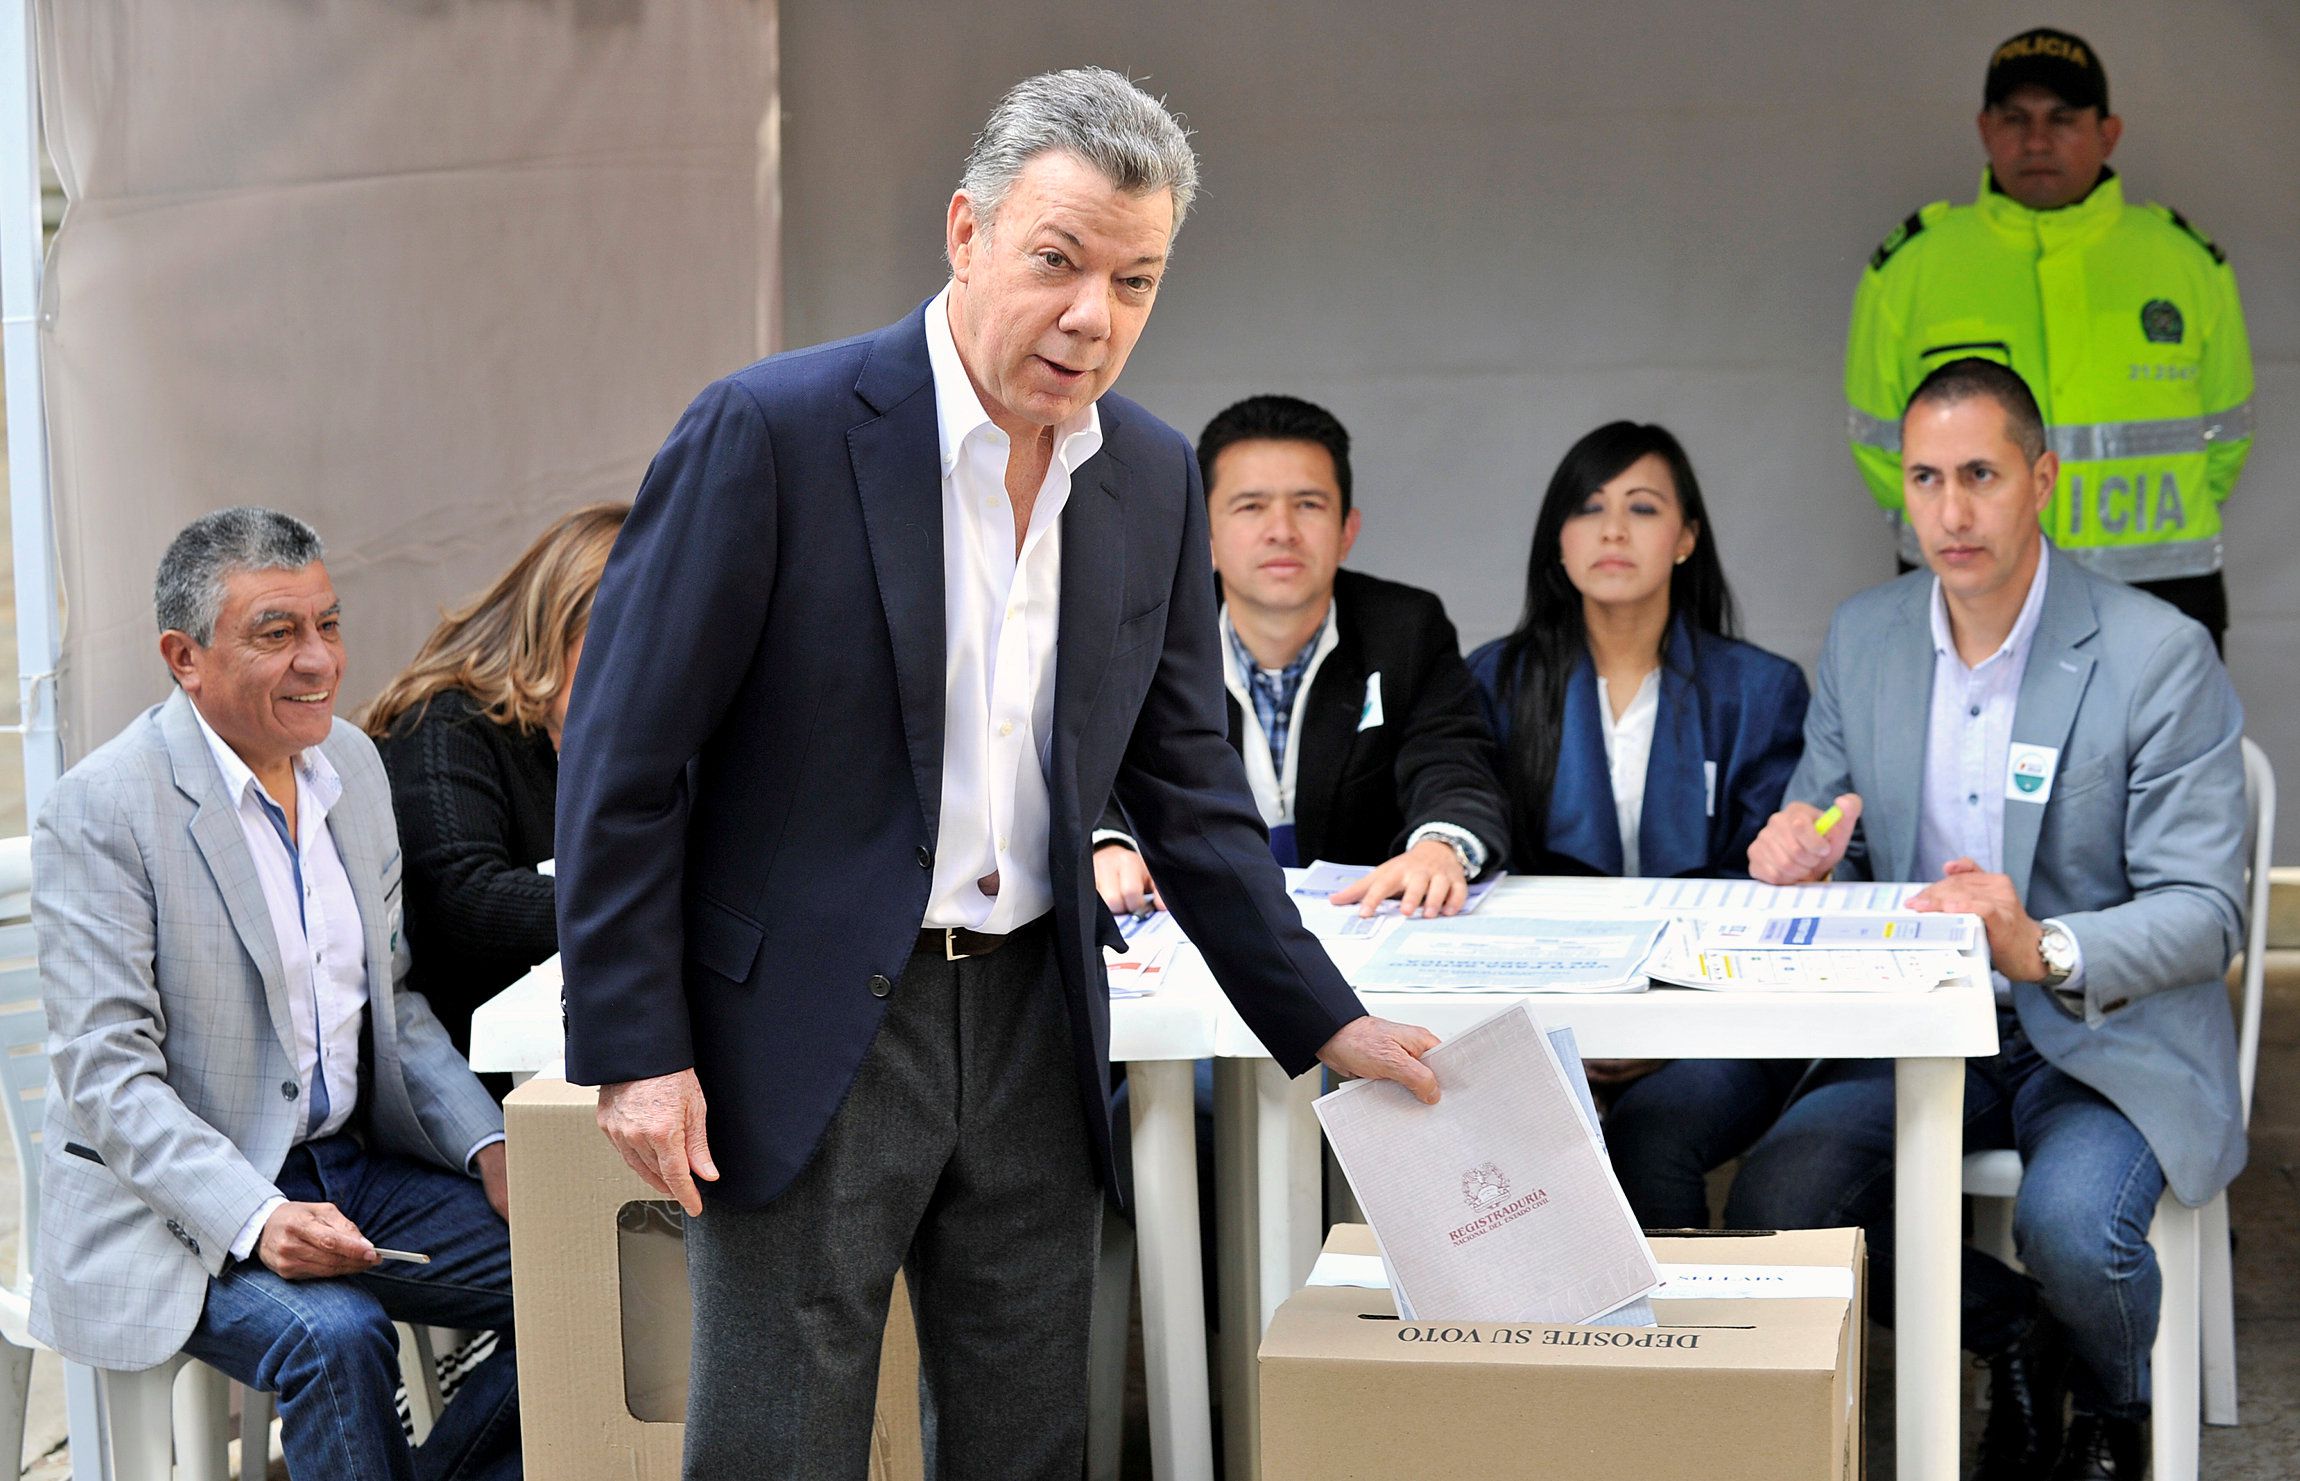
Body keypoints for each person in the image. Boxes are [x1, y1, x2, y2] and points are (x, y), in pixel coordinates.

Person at [553, 69, 1439, 1479]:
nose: (1095, 315)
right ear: (966, 233)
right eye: (1059, 261)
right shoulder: (771, 432)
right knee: (780, 1440)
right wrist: (633, 1049)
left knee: (1031, 1437)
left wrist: (1324, 1017)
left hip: (1036, 1009)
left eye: (1137, 281)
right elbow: (625, 756)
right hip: (808, 1023)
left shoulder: (1149, 478)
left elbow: (1186, 782)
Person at [1733, 359, 2246, 1480]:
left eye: (1979, 474)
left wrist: (2040, 945)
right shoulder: (1865, 635)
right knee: (1780, 1200)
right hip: (1921, 1027)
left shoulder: (2155, 652)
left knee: (2072, 1228)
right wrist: (1803, 850)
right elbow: (1835, 822)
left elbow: (2206, 913)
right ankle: (2012, 1332)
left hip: (2103, 1029)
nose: (1950, 511)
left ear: (2041, 478)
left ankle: (2113, 1408)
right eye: (1924, 478)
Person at [31, 508, 521, 1481]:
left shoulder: (353, 763)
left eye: (328, 624)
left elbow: (395, 1000)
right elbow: (109, 1081)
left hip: (351, 1166)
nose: (319, 662)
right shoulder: (105, 808)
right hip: (172, 1205)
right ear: (184, 656)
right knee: (335, 1337)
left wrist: (491, 1144)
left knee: (582, 1261)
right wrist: (257, 1215)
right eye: (276, 632)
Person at [1465, 421, 1810, 1228]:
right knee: (1527, 1136)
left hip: (1713, 1020)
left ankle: (1670, 1355)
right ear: (1559, 538)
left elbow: (1763, 892)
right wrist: (1576, 1025)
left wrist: (1662, 1020)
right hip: (1542, 1013)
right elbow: (1486, 882)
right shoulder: (1493, 681)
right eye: (1589, 507)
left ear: (1686, 538)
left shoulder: (1761, 690)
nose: (1613, 529)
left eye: (1643, 507)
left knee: (1656, 1133)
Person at [1843, 26, 2254, 651]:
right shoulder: (1911, 270)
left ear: (2107, 132)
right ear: (1985, 129)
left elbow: (2227, 437)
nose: (2036, 140)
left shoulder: (2184, 263)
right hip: (1974, 592)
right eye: (2015, 118)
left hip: (2161, 597)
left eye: (2062, 118)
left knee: (2172, 754)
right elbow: (1879, 447)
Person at [1092, 393, 1509, 917]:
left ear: (1346, 532)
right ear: (1204, 535)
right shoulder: (1144, 630)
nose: (1282, 532)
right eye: (1251, 506)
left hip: (1362, 923)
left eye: (1308, 505)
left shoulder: (1404, 629)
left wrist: (1440, 847)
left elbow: (1452, 762)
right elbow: (1090, 762)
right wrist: (1107, 842)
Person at [368, 502, 627, 1073]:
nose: (635, 669)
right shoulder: (443, 721)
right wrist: (643, 906)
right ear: (558, 620)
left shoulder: (615, 738)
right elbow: (465, 899)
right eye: (620, 639)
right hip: (470, 1084)